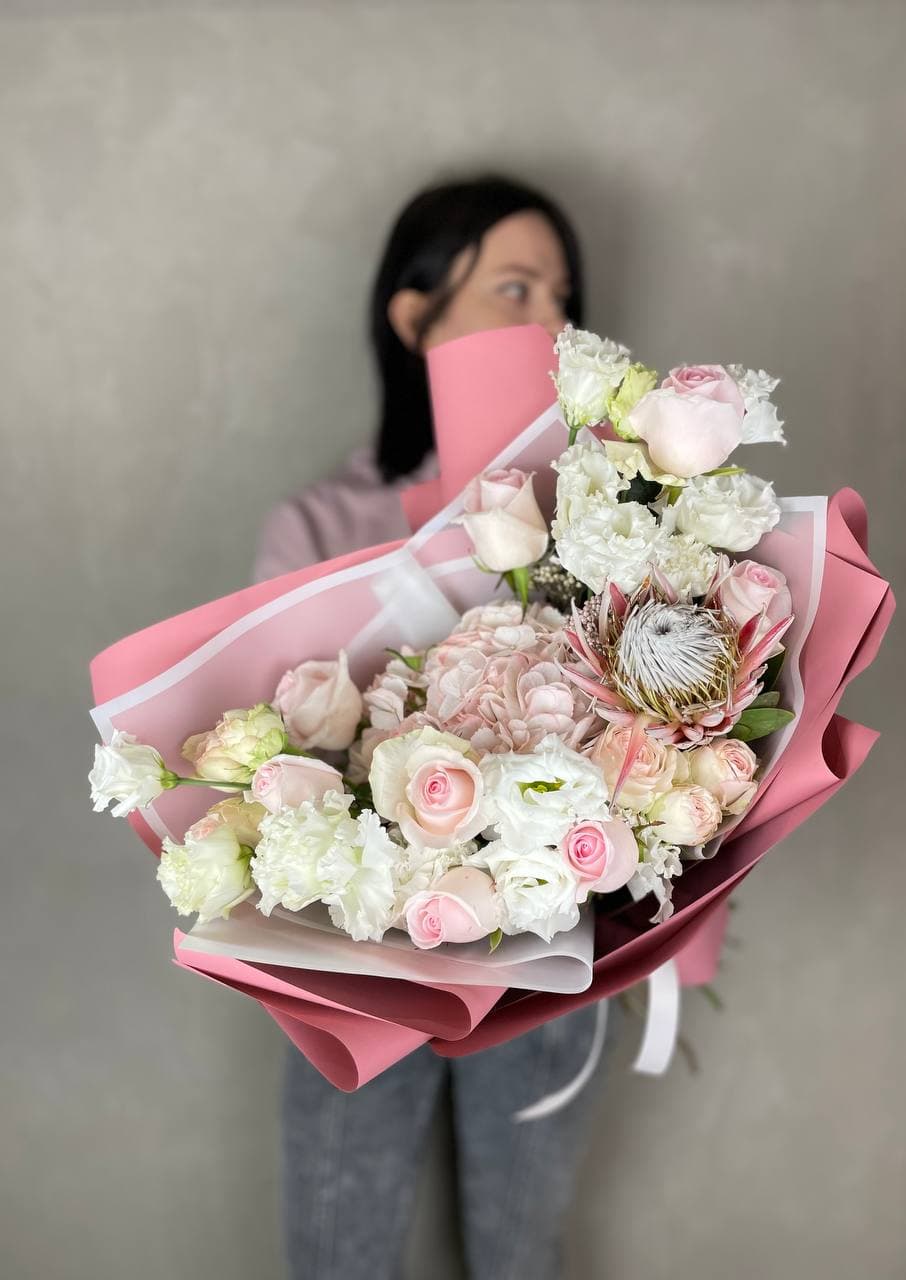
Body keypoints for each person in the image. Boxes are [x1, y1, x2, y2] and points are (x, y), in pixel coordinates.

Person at [254, 175, 620, 1280]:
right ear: (415, 315)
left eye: (563, 296)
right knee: (339, 1251)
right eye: (516, 288)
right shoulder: (321, 524)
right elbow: (268, 768)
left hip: (549, 946)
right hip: (355, 957)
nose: (551, 321)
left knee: (520, 1254)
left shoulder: (601, 520)